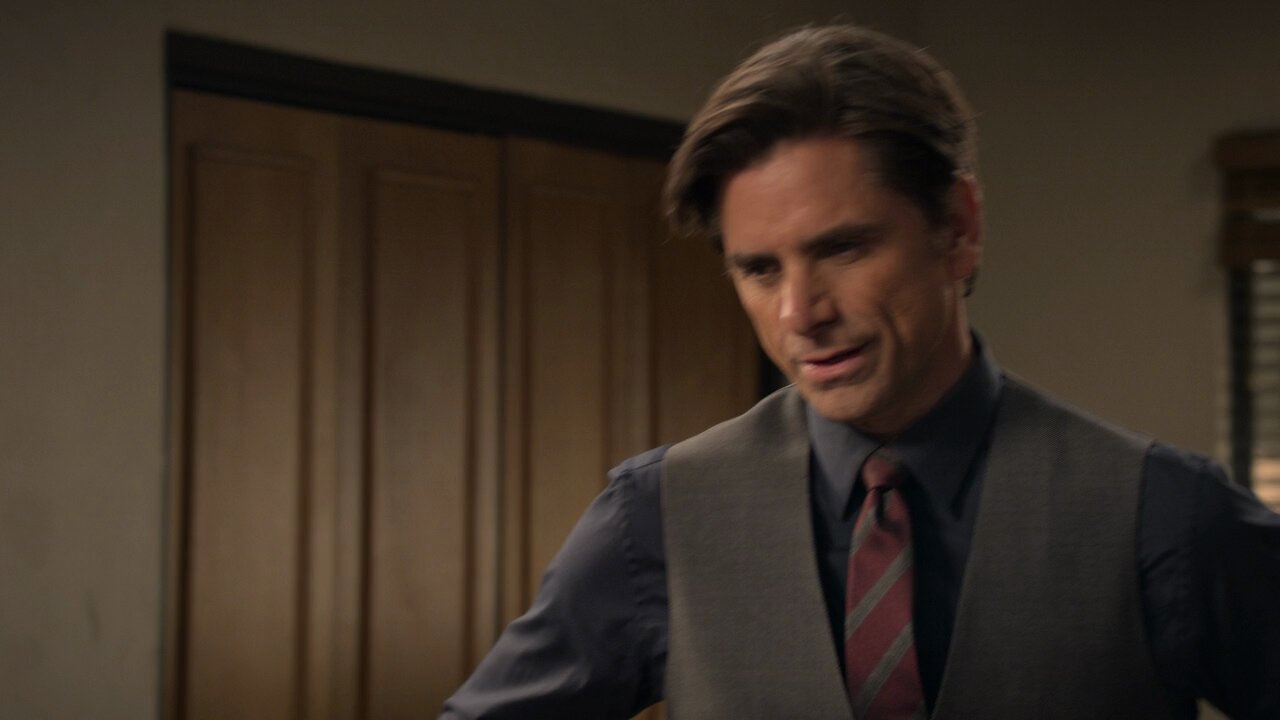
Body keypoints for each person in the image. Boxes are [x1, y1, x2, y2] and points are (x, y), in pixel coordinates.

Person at [442, 24, 1280, 719]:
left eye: (842, 248)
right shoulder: (657, 517)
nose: (798, 312)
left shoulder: (1162, 516)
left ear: (958, 227)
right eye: (759, 269)